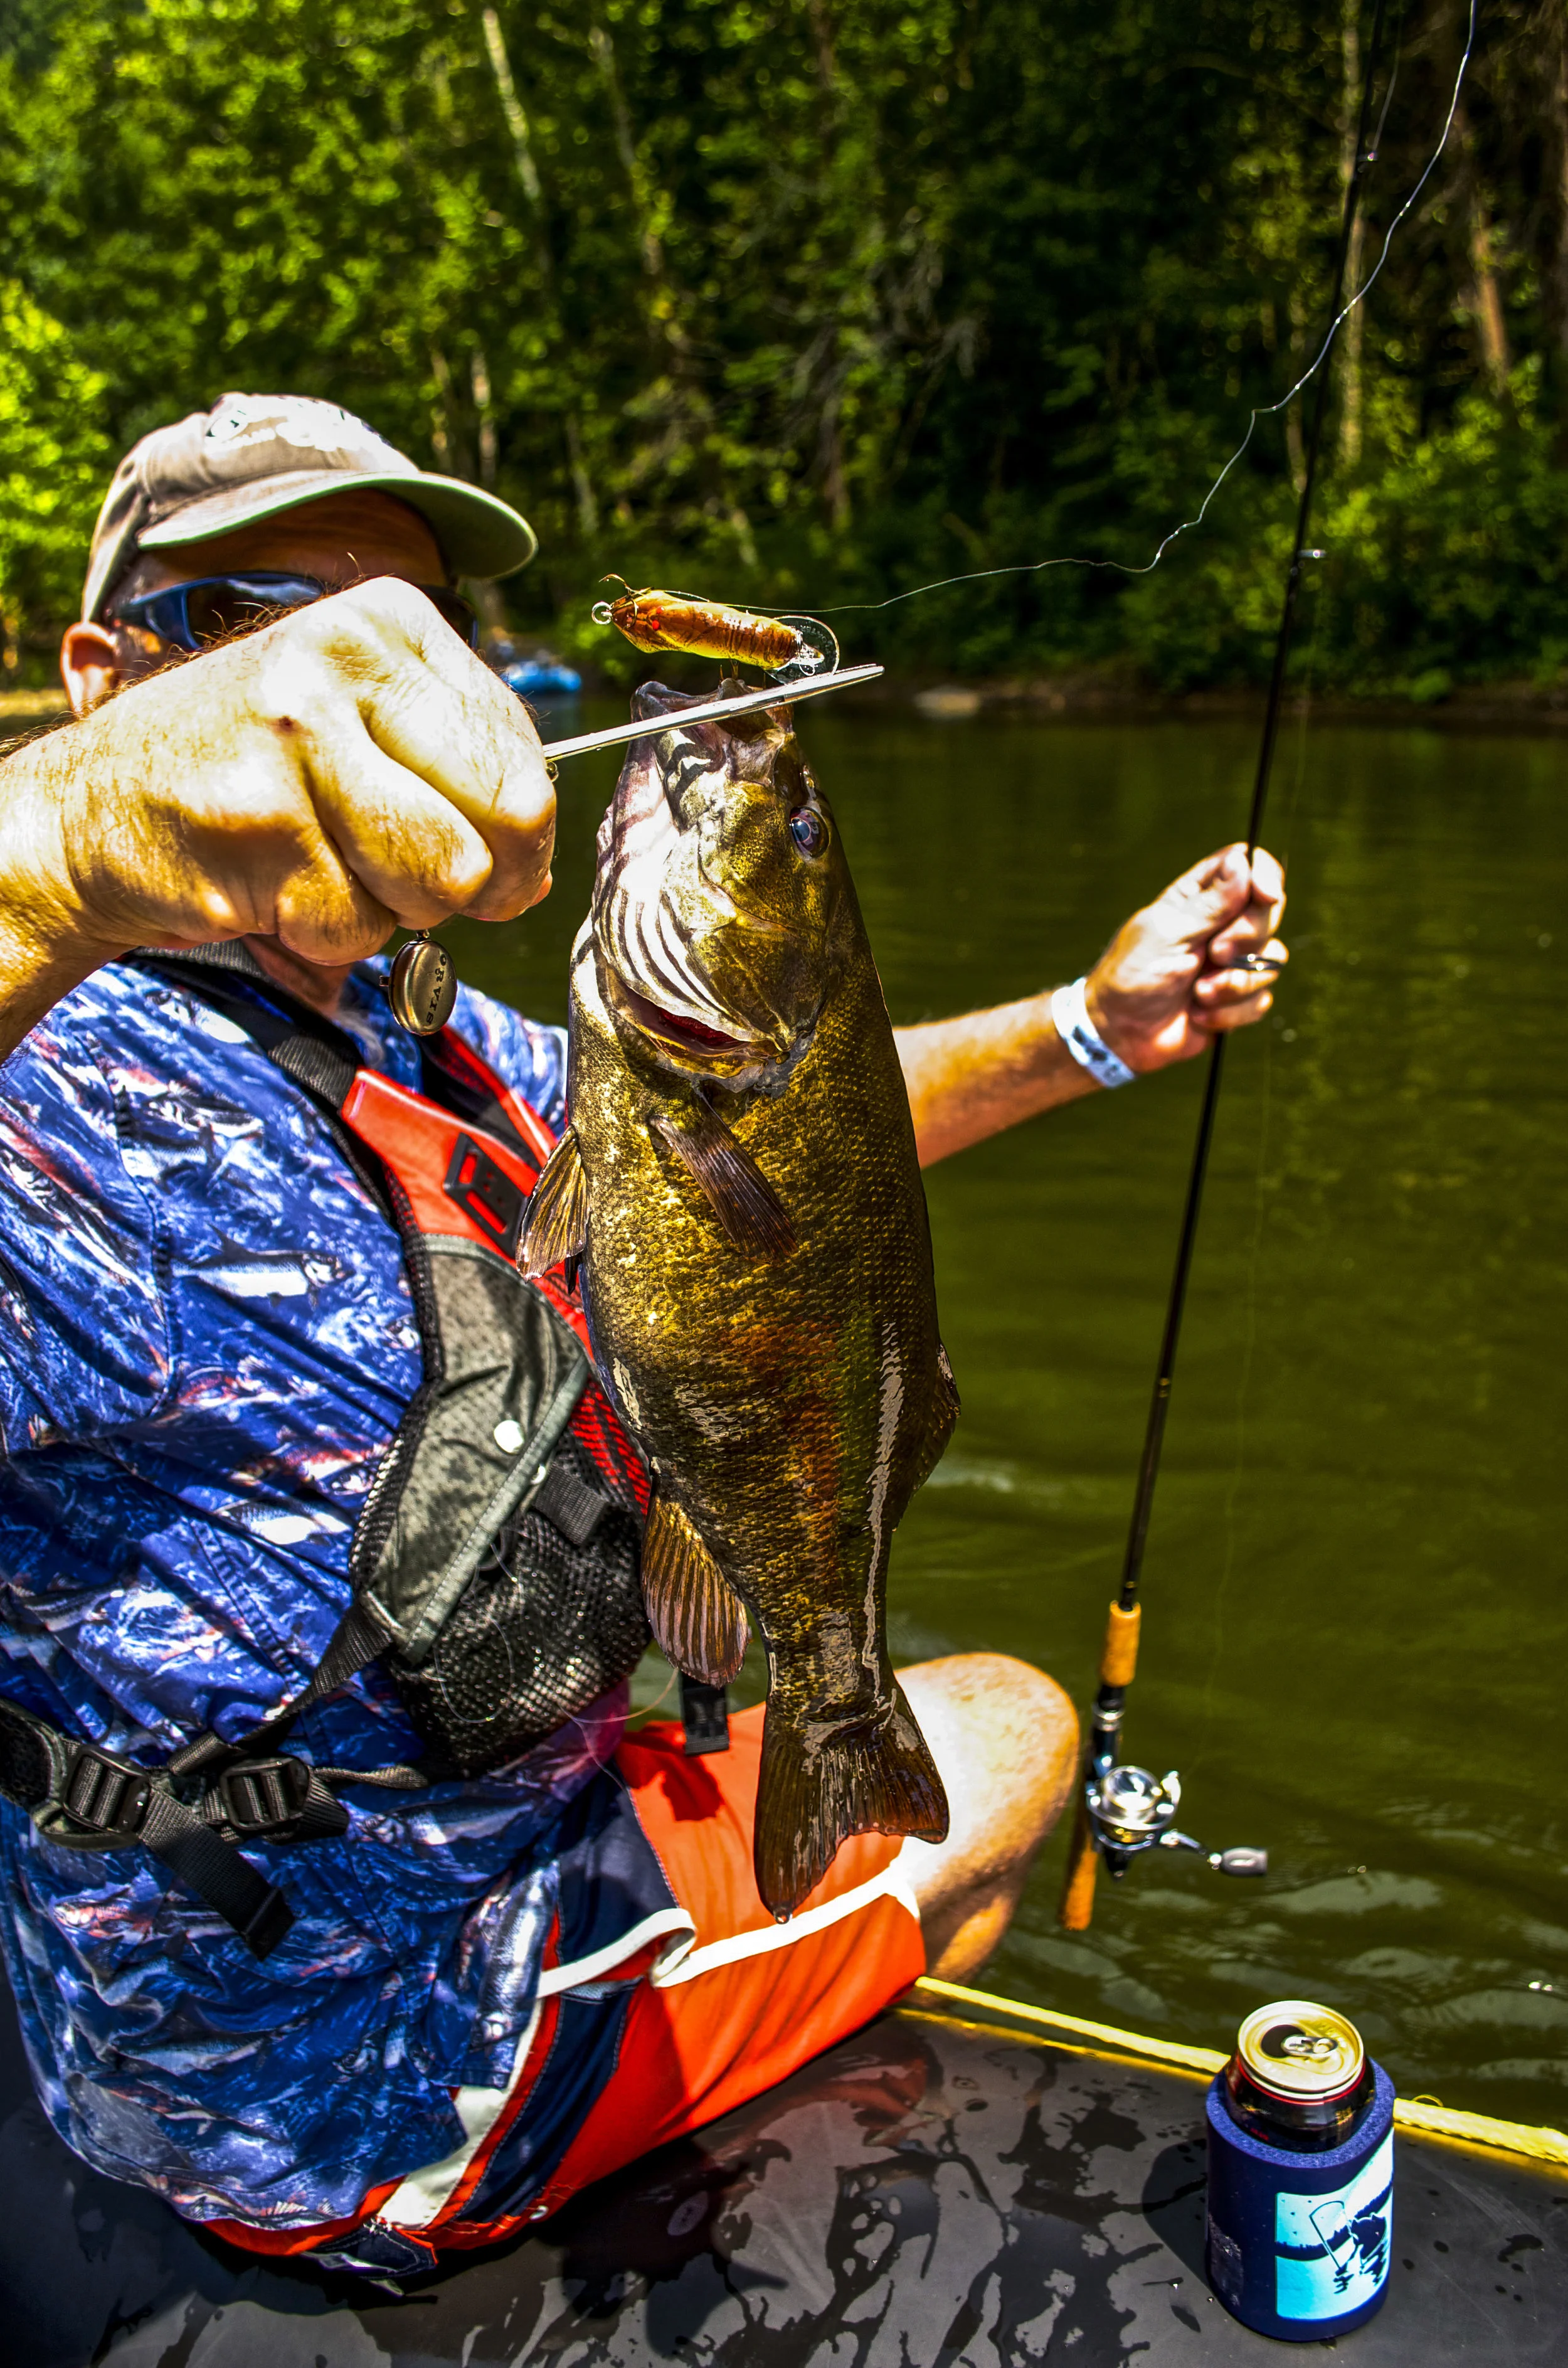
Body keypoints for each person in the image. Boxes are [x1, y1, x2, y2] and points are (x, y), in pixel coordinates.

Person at [0, 395, 1288, 2276]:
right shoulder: (47, 1080)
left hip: (537, 1807)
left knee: (915, 1695)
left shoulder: (394, 1021)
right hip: (347, 2053)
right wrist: (68, 832)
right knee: (1014, 1735)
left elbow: (768, 1133)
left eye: (416, 637)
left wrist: (1093, 1025)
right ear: (113, 673)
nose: (359, 680)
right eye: (271, 625)